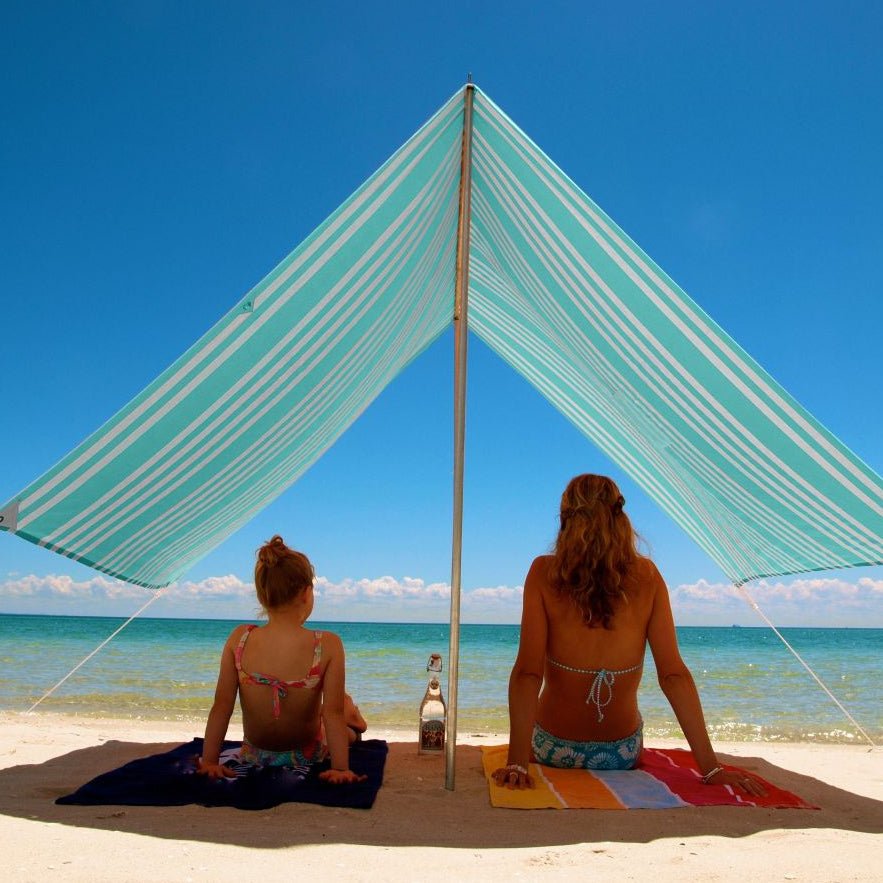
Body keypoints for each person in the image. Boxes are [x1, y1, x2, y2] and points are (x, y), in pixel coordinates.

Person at [491, 474, 766, 795]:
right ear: (620, 517)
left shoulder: (543, 573)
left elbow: (527, 673)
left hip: (552, 747)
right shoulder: (647, 576)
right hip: (621, 753)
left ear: (565, 518)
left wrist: (517, 763)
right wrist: (711, 767)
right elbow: (673, 675)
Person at [198, 535, 367, 784]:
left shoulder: (239, 639)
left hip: (255, 755)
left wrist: (210, 762)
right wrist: (340, 768)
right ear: (306, 593)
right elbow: (332, 713)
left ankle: (351, 714)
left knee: (330, 711)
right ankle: (355, 721)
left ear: (262, 596)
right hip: (306, 754)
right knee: (340, 717)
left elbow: (221, 706)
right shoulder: (327, 644)